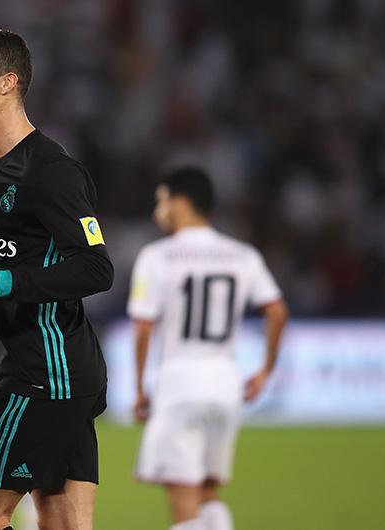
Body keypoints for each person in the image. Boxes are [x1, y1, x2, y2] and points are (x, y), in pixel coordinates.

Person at [0, 28, 112, 530]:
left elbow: (97, 268)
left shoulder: (51, 172)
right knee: (63, 524)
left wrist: (4, 282)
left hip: (45, 376)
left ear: (7, 82)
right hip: (58, 374)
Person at [127, 167, 289, 530]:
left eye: (162, 201)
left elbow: (143, 327)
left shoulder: (157, 256)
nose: (158, 212)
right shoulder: (242, 255)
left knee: (183, 500)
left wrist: (138, 388)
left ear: (181, 203)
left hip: (180, 385)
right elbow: (277, 311)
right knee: (208, 493)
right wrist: (266, 370)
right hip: (225, 384)